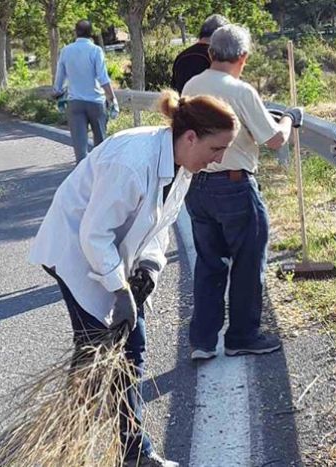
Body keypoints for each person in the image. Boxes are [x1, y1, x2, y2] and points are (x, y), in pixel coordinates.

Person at [28, 90, 239, 467]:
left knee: (123, 350)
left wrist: (148, 268)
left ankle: (115, 447)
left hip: (112, 256)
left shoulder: (182, 166)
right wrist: (119, 290)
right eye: (216, 149)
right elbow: (93, 234)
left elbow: (158, 227)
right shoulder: (132, 162)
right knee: (105, 349)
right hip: (76, 253)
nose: (218, 160)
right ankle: (94, 448)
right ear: (191, 137)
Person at [181, 24, 304, 361]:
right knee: (248, 261)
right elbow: (274, 140)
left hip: (198, 186)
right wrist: (289, 120)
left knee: (209, 263)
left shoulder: (192, 85)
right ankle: (242, 336)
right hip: (234, 186)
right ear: (244, 57)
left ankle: (202, 341)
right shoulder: (241, 91)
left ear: (210, 53)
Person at [53, 19, 119, 163]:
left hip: (75, 102)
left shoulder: (66, 51)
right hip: (96, 102)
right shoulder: (95, 50)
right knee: (100, 145)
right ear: (91, 34)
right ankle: (100, 177)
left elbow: (59, 78)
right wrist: (112, 99)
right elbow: (103, 78)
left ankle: (83, 180)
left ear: (75, 32)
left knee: (80, 150)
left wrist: (58, 93)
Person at [170, 14, 229, 94]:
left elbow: (174, 90)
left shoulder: (181, 56)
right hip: (207, 105)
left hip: (183, 104)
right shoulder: (216, 58)